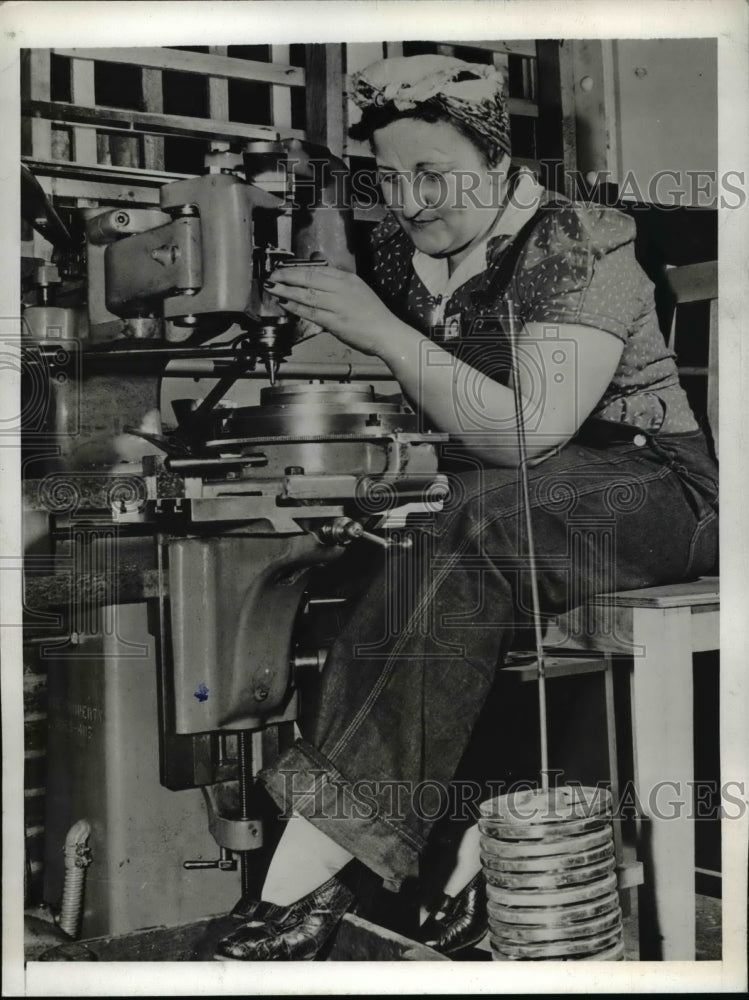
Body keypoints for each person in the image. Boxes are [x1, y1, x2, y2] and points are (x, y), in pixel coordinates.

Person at [214, 54, 719, 961]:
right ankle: (453, 861)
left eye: (432, 175)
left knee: (471, 525)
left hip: (656, 487)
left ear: (497, 165)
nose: (408, 200)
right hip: (517, 501)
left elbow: (528, 432)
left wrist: (377, 327)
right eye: (388, 178)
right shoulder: (411, 263)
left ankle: (308, 882)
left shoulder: (574, 238)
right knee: (387, 548)